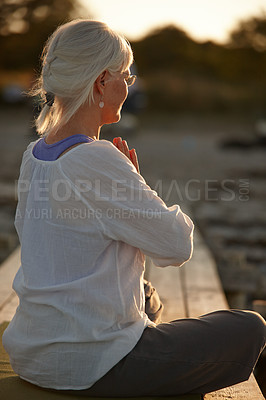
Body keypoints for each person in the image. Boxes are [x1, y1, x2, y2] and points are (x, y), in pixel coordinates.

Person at [2, 19, 265, 397]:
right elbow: (177, 247)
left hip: (34, 355)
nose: (129, 85)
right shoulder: (99, 159)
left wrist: (128, 190)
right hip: (92, 367)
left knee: (149, 299)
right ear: (101, 83)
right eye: (126, 75)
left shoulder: (34, 155)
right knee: (251, 327)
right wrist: (138, 185)